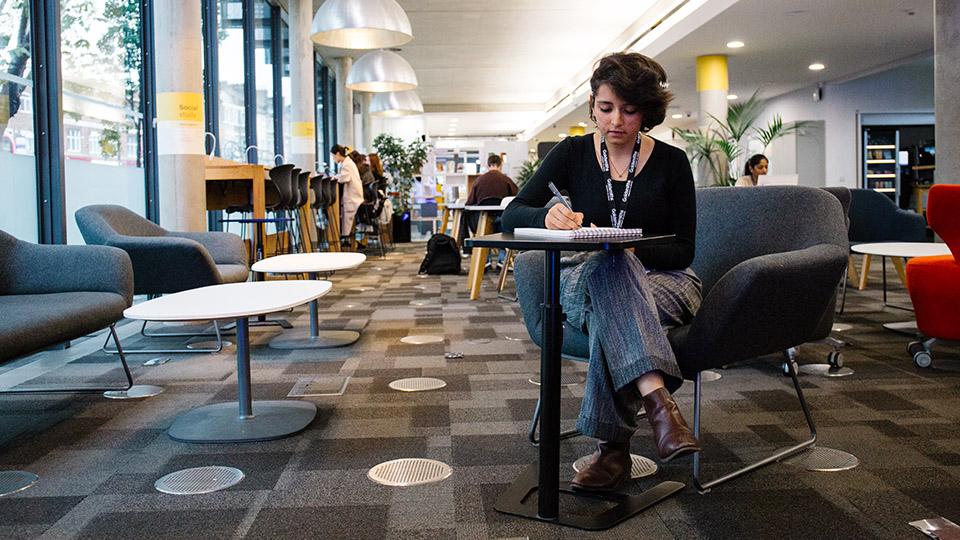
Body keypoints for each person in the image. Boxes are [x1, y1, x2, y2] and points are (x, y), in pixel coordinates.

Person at [502, 52, 702, 492]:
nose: (616, 121)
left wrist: (630, 246)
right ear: (593, 103)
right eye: (606, 107)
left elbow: (684, 249)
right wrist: (547, 218)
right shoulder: (571, 153)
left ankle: (613, 452)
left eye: (630, 111)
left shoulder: (672, 162)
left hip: (666, 281)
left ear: (647, 112)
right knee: (610, 268)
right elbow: (512, 215)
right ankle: (657, 399)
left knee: (616, 284)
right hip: (586, 275)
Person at [331, 144, 363, 239]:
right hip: (356, 196)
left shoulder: (347, 164)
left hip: (353, 198)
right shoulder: (348, 162)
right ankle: (345, 237)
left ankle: (345, 238)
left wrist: (334, 177)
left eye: (333, 156)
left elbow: (345, 178)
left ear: (337, 154)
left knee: (345, 218)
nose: (333, 159)